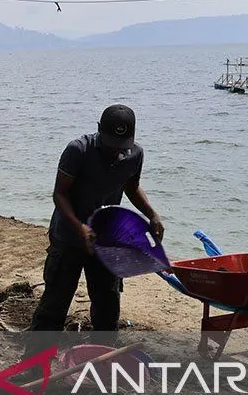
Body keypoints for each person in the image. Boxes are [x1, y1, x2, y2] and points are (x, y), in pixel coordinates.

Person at [26, 104, 164, 351]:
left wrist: (152, 214)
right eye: (111, 144)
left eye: (122, 146)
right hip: (68, 237)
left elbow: (131, 187)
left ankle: (103, 359)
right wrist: (79, 227)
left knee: (107, 305)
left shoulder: (135, 154)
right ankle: (36, 362)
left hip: (106, 239)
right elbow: (60, 194)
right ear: (99, 129)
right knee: (55, 304)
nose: (116, 151)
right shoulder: (78, 150)